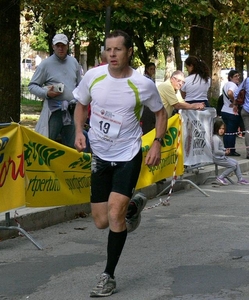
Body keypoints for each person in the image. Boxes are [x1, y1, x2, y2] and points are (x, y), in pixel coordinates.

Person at [73, 30, 168, 297]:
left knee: (115, 215)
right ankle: (134, 206)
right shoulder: (93, 76)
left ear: (129, 52)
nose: (111, 54)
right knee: (101, 221)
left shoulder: (142, 84)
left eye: (117, 49)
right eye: (108, 49)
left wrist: (158, 143)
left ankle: (108, 276)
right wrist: (79, 132)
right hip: (100, 155)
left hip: (128, 154)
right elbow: (81, 104)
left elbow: (160, 113)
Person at [28, 33, 82, 148]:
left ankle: (70, 165)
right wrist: (46, 93)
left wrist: (77, 100)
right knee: (46, 144)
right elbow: (32, 86)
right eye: (58, 45)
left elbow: (80, 85)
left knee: (73, 146)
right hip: (53, 111)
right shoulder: (45, 64)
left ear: (68, 46)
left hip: (71, 111)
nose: (60, 48)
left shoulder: (74, 62)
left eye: (63, 45)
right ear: (53, 46)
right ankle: (43, 165)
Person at [212, 119, 249, 186]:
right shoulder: (215, 138)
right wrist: (224, 153)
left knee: (235, 162)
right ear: (216, 129)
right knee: (233, 166)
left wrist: (224, 149)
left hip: (221, 157)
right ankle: (221, 177)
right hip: (217, 158)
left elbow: (219, 148)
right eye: (220, 129)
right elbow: (216, 151)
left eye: (223, 129)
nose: (221, 130)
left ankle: (240, 179)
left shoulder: (218, 138)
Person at [220, 70, 242, 156]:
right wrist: (234, 102)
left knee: (227, 132)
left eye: (238, 76)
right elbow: (230, 93)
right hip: (232, 112)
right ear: (230, 77)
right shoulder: (233, 85)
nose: (238, 78)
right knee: (232, 132)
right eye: (235, 76)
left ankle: (226, 148)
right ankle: (231, 149)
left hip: (224, 110)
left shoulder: (225, 85)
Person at [141, 62, 157, 134]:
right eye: (151, 69)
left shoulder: (150, 79)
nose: (153, 71)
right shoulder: (146, 79)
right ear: (147, 69)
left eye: (154, 69)